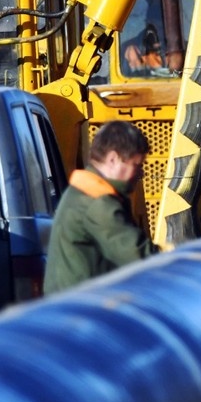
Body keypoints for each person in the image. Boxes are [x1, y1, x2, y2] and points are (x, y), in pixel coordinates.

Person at [44, 121, 156, 293]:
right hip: (83, 304)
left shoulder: (83, 191)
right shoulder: (97, 202)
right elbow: (139, 255)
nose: (141, 173)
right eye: (137, 165)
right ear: (113, 159)